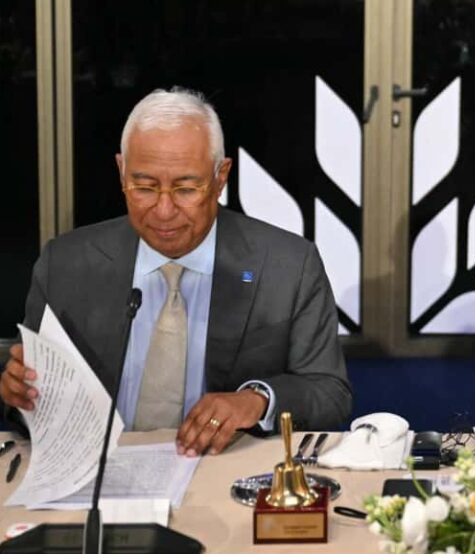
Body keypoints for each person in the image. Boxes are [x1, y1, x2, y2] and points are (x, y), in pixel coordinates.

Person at [1, 87, 353, 455]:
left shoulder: (287, 265)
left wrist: (256, 400)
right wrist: (18, 393)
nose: (164, 210)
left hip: (222, 464)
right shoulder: (66, 264)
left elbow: (329, 392)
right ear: (121, 171)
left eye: (186, 189)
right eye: (145, 187)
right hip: (98, 467)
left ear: (221, 177)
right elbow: (28, 399)